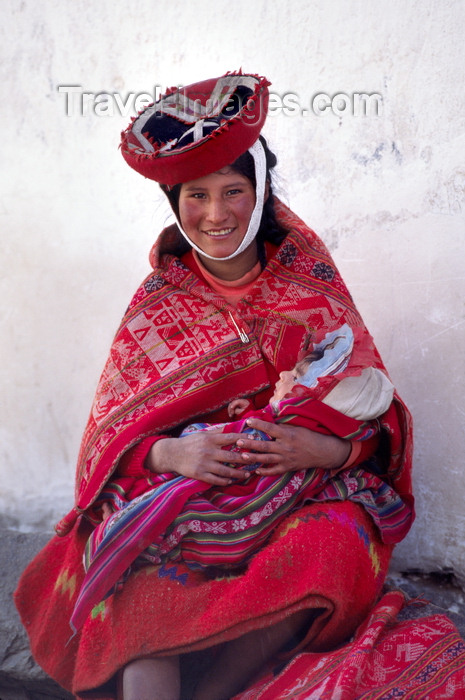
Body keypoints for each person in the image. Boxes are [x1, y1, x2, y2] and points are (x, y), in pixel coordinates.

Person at [15, 72, 414, 700]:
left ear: (260, 194)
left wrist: (327, 452)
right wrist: (171, 453)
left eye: (233, 191)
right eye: (196, 195)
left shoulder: (309, 284)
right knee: (137, 581)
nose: (215, 213)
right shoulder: (157, 300)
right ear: (175, 202)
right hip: (179, 502)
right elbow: (105, 443)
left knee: (335, 542)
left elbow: (375, 414)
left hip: (298, 496)